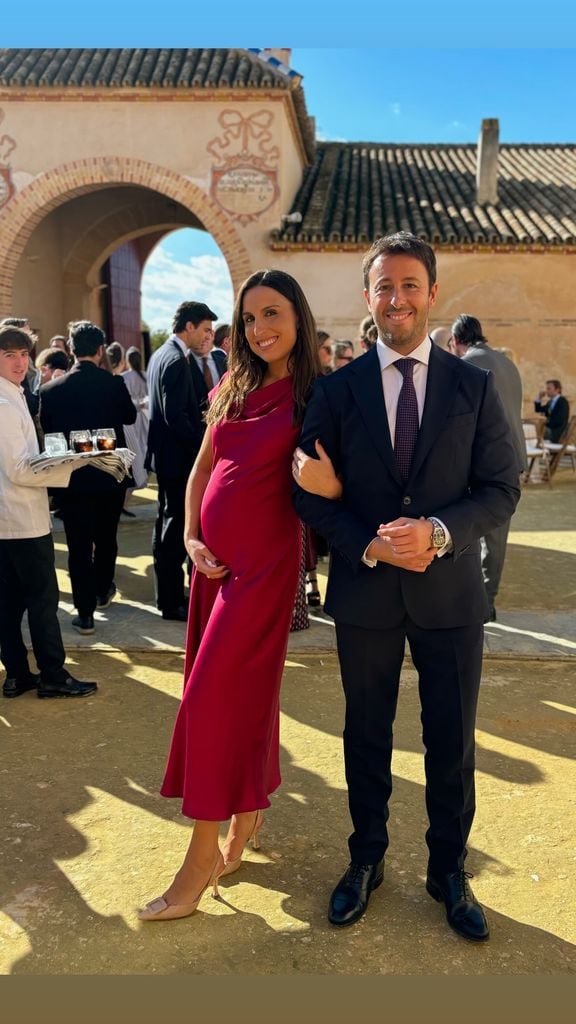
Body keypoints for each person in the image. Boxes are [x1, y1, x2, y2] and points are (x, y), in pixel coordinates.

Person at [293, 231, 520, 941]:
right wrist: (368, 544)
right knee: (365, 735)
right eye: (384, 286)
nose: (397, 298)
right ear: (369, 297)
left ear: (432, 293)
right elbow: (308, 491)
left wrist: (440, 534)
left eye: (410, 284)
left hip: (450, 594)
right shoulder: (334, 391)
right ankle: (366, 860)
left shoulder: (473, 388)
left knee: (450, 742)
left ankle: (449, 870)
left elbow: (500, 488)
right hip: (366, 595)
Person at [138, 269, 333, 923]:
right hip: (211, 573)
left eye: (273, 313)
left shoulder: (315, 397)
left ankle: (198, 862)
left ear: (298, 318)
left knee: (212, 702)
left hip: (263, 573)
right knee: (244, 698)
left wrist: (327, 483)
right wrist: (192, 538)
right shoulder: (233, 382)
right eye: (249, 318)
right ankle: (246, 821)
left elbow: (337, 489)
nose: (260, 329)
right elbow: (201, 468)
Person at [0, 325, 97, 700]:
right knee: (42, 601)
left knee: (9, 604)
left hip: (11, 519)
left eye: (24, 354)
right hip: (21, 519)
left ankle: (18, 675)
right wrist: (70, 462)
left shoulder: (14, 395)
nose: (20, 362)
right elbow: (20, 469)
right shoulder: (7, 403)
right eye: (10, 354)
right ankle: (52, 674)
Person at [39, 321, 137, 635]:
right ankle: (102, 589)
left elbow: (50, 430)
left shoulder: (51, 389)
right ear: (99, 350)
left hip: (73, 477)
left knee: (79, 546)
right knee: (107, 537)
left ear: (70, 349)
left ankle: (85, 614)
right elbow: (130, 417)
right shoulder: (114, 384)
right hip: (109, 474)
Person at [145, 301, 219, 621]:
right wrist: (204, 447)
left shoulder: (162, 355)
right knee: (176, 528)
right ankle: (173, 600)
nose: (207, 336)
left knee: (166, 523)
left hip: (167, 458)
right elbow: (175, 416)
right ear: (188, 327)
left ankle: (169, 595)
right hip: (178, 460)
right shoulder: (175, 359)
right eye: (204, 329)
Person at [449, 314, 527, 621]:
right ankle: (487, 600)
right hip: (513, 460)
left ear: (456, 341)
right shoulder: (508, 363)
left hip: (482, 461)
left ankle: (475, 602)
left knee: (467, 530)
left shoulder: (467, 364)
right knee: (496, 539)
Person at [120, 346, 150, 514]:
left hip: (131, 420)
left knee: (134, 454)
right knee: (142, 452)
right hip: (144, 416)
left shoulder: (125, 377)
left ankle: (124, 500)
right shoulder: (145, 376)